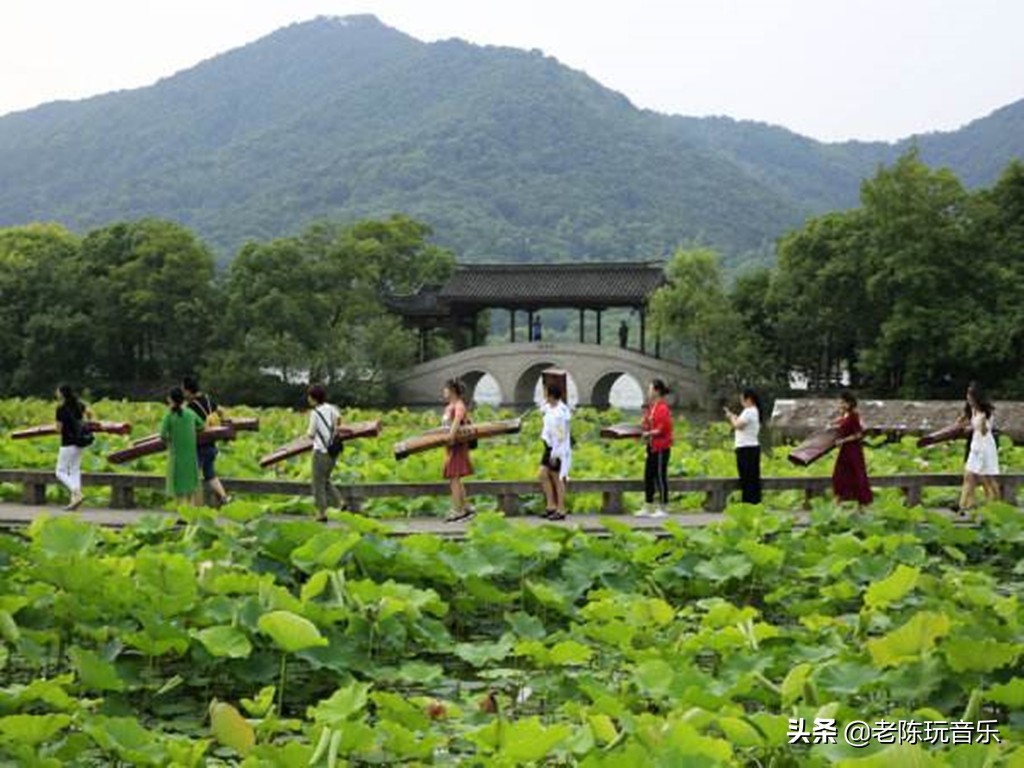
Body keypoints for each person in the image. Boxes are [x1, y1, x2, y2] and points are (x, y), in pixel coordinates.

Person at [183, 375, 230, 506]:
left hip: (199, 446)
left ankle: (193, 506)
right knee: (210, 475)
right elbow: (221, 411)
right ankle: (224, 498)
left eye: (184, 391)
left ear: (188, 390)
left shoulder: (191, 406)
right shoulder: (209, 399)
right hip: (211, 445)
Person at [160, 387, 204, 505]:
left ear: (170, 399)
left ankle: (181, 513)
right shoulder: (190, 413)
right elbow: (201, 426)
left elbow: (162, 435)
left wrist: (170, 442)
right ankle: (190, 510)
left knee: (178, 484)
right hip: (190, 454)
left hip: (176, 454)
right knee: (190, 483)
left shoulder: (169, 415)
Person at [959, 384, 1000, 511]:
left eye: (970, 396)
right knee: (968, 476)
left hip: (985, 447)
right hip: (975, 446)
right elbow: (968, 424)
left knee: (987, 478)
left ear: (975, 397)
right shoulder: (972, 410)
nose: (968, 398)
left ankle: (996, 503)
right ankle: (964, 505)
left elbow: (984, 432)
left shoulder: (986, 413)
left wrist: (982, 422)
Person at [307, 384, 344, 521]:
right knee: (325, 480)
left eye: (309, 396)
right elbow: (339, 421)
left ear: (313, 398)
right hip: (334, 450)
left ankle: (321, 513)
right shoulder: (332, 408)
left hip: (320, 451)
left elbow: (311, 434)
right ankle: (340, 502)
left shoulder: (315, 413)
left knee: (318, 483)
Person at [637, 379, 673, 518]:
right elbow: (648, 423)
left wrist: (648, 433)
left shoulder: (663, 408)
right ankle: (648, 505)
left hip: (661, 448)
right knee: (648, 476)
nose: (648, 391)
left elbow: (663, 429)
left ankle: (663, 507)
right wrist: (644, 426)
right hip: (651, 447)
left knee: (660, 476)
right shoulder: (653, 407)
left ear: (657, 391)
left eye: (650, 388)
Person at [54, 384, 93, 510]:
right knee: (75, 470)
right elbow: (90, 414)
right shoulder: (80, 405)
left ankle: (77, 492)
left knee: (60, 471)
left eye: (58, 391)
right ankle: (74, 500)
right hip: (81, 441)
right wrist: (85, 424)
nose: (56, 393)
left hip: (67, 443)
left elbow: (58, 429)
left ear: (62, 394)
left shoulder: (60, 409)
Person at [831, 391, 873, 506]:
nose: (841, 405)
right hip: (845, 451)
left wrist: (843, 440)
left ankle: (861, 505)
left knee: (856, 476)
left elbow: (858, 434)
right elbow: (842, 424)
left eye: (843, 403)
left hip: (853, 450)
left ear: (850, 403)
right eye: (840, 402)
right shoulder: (845, 415)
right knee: (839, 475)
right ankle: (839, 501)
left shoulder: (854, 415)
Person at [442, 378, 475, 522]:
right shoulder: (449, 406)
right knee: (454, 478)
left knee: (454, 477)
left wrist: (450, 436)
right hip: (450, 447)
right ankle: (465, 506)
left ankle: (459, 510)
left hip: (457, 445)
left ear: (453, 391)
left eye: (446, 389)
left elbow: (457, 421)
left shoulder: (459, 405)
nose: (444, 391)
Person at [538, 382, 572, 520]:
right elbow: (542, 408)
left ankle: (561, 509)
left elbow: (561, 435)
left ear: (551, 395)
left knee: (558, 478)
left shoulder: (560, 413)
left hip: (557, 448)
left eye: (546, 392)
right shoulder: (550, 408)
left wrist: (555, 453)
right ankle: (551, 505)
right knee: (543, 473)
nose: (544, 395)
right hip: (548, 446)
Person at [725, 388, 762, 504]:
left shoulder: (749, 411)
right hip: (752, 448)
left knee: (746, 479)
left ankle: (748, 504)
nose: (741, 402)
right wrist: (734, 417)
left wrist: (731, 418)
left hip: (746, 449)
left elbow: (738, 426)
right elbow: (742, 424)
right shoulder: (754, 411)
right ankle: (754, 504)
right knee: (753, 479)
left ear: (749, 399)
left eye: (742, 399)